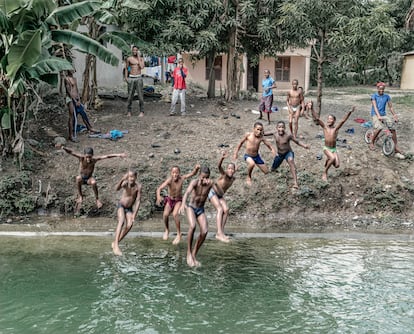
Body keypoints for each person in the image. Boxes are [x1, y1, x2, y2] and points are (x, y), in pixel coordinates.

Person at [62, 146, 127, 214]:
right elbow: (71, 152)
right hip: (81, 178)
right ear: (84, 155)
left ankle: (97, 199)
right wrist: (63, 147)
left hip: (89, 178)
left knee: (94, 182)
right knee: (78, 178)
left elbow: (107, 156)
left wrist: (119, 155)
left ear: (92, 156)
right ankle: (81, 196)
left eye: (90, 157)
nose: (88, 159)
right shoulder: (81, 158)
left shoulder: (94, 160)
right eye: (87, 157)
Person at [156, 164, 200, 244]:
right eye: (173, 173)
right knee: (165, 214)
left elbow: (192, 174)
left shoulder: (182, 178)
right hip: (170, 200)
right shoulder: (169, 180)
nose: (175, 174)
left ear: (179, 173)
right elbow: (159, 188)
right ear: (171, 173)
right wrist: (158, 196)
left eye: (176, 173)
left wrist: (196, 169)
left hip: (178, 200)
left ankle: (179, 234)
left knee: (175, 214)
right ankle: (167, 229)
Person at [179, 165, 213, 267]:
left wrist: (211, 184)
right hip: (191, 207)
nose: (204, 179)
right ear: (199, 175)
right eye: (203, 177)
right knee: (192, 226)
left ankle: (194, 254)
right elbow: (187, 193)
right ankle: (188, 253)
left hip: (200, 209)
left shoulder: (210, 184)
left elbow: (220, 190)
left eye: (206, 177)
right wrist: (182, 204)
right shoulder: (194, 182)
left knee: (205, 231)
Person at [311, 106, 356, 181]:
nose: (328, 120)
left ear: (334, 121)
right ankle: (325, 173)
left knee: (337, 165)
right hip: (326, 148)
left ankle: (328, 159)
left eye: (331, 119)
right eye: (328, 119)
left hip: (333, 149)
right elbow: (317, 119)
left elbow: (343, 121)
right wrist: (312, 108)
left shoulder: (336, 129)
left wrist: (350, 112)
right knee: (332, 158)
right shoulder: (325, 127)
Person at [267, 121, 310, 189]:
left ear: (285, 128)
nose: (281, 129)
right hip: (280, 154)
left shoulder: (288, 135)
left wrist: (304, 146)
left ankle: (295, 183)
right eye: (279, 127)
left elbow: (297, 141)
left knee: (291, 161)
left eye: (282, 127)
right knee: (273, 168)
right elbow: (263, 133)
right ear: (276, 128)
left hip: (288, 153)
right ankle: (274, 169)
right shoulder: (274, 133)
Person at [233, 121, 276, 185]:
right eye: (257, 129)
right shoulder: (248, 135)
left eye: (261, 130)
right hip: (248, 156)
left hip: (256, 157)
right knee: (252, 164)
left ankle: (256, 164)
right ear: (254, 129)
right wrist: (235, 153)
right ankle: (248, 177)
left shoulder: (261, 137)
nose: (259, 131)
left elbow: (269, 145)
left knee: (266, 172)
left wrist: (273, 150)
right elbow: (240, 143)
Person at [369, 82, 404, 158]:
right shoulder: (374, 96)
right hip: (375, 114)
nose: (381, 90)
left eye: (383, 89)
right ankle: (371, 142)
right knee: (379, 127)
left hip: (383, 115)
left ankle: (396, 146)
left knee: (392, 128)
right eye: (380, 89)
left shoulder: (387, 96)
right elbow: (375, 107)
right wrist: (378, 116)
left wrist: (394, 116)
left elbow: (390, 107)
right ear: (377, 88)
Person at [112, 169, 142, 256]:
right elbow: (116, 189)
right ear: (127, 177)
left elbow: (138, 200)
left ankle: (115, 242)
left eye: (133, 177)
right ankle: (116, 246)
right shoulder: (125, 184)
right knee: (121, 221)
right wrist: (122, 179)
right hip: (121, 206)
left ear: (136, 177)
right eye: (129, 177)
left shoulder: (138, 187)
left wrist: (134, 215)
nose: (131, 179)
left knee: (130, 224)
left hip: (129, 209)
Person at [208, 151, 236, 242]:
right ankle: (219, 233)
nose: (230, 170)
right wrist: (222, 158)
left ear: (234, 170)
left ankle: (221, 232)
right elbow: (219, 167)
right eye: (229, 168)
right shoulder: (224, 175)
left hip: (220, 195)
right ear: (227, 169)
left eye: (232, 169)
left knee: (226, 210)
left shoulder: (233, 178)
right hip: (212, 192)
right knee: (220, 209)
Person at [64, 70, 98, 142]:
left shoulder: (74, 79)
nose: (72, 71)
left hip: (76, 99)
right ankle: (71, 135)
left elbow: (76, 90)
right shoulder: (66, 79)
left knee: (83, 113)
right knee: (72, 116)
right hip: (70, 99)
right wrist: (75, 101)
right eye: (70, 69)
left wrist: (79, 99)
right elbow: (69, 92)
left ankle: (90, 128)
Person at [125, 46, 145, 117]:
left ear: (138, 51)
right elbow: (127, 68)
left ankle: (142, 111)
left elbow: (142, 67)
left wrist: (139, 57)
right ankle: (129, 111)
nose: (135, 51)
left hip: (139, 78)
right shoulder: (129, 59)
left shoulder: (141, 59)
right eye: (133, 50)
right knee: (130, 96)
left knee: (140, 96)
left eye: (136, 50)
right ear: (132, 51)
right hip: (131, 78)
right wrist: (126, 77)